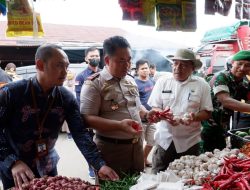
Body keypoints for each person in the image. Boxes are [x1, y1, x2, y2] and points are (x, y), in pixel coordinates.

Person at [0, 44, 118, 190]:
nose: (65, 71)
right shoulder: (11, 93)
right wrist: (12, 162)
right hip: (16, 169)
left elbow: (80, 133)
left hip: (48, 165)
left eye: (66, 66)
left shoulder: (66, 97)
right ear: (40, 64)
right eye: (59, 65)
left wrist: (99, 164)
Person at [80, 36, 149, 176]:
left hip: (136, 147)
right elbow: (86, 119)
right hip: (111, 150)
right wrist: (119, 126)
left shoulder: (130, 80)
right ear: (107, 60)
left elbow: (137, 106)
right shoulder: (94, 84)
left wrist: (147, 114)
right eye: (121, 61)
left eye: (129, 60)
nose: (127, 65)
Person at [148, 49, 213, 174]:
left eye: (183, 65)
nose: (177, 68)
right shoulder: (163, 81)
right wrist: (163, 115)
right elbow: (155, 107)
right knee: (157, 177)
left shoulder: (202, 85)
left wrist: (193, 117)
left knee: (187, 179)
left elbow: (207, 112)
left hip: (189, 143)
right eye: (175, 63)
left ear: (193, 68)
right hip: (164, 141)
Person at [201, 50, 250, 151]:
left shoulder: (244, 81)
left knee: (220, 155)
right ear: (232, 63)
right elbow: (225, 101)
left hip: (223, 126)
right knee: (205, 156)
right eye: (239, 64)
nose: (242, 68)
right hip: (207, 125)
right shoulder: (221, 77)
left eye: (247, 65)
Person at [75, 47, 101, 179]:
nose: (95, 57)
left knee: (101, 143)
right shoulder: (81, 76)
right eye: (92, 56)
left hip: (102, 116)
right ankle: (91, 167)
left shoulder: (104, 73)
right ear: (86, 59)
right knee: (90, 143)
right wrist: (84, 118)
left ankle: (101, 165)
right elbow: (79, 99)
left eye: (97, 55)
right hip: (88, 116)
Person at [134, 59, 155, 167]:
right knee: (139, 143)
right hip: (141, 119)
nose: (145, 70)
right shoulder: (134, 83)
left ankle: (144, 159)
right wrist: (145, 113)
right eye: (142, 69)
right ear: (137, 71)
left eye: (146, 68)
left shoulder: (152, 81)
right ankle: (139, 163)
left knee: (151, 142)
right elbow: (136, 103)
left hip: (152, 118)